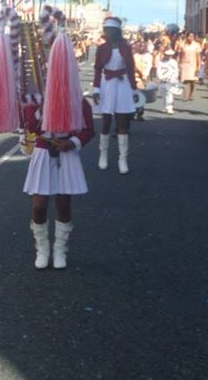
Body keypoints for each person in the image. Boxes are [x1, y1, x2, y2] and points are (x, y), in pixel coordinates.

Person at [25, 33, 95, 270]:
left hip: (66, 153)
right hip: (44, 152)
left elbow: (88, 130)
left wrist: (72, 143)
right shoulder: (39, 98)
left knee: (64, 203)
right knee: (39, 204)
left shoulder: (79, 100)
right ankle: (42, 249)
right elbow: (31, 127)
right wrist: (33, 108)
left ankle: (60, 250)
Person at [92, 17, 138, 175]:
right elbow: (97, 70)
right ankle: (103, 154)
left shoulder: (126, 47)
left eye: (109, 30)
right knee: (105, 122)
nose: (107, 32)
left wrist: (134, 90)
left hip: (123, 84)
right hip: (107, 84)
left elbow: (131, 68)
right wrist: (96, 89)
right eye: (105, 29)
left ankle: (122, 159)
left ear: (116, 31)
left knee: (122, 123)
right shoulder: (102, 48)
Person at [178, 31, 201, 101]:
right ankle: (185, 95)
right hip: (184, 64)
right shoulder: (182, 44)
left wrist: (198, 66)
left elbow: (198, 57)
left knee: (192, 81)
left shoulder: (196, 45)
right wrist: (179, 65)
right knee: (184, 81)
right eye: (189, 36)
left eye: (192, 36)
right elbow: (180, 55)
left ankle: (191, 94)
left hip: (193, 64)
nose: (191, 38)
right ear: (186, 37)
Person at [157, 49, 179, 114]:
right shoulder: (161, 62)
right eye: (167, 55)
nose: (168, 56)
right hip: (162, 80)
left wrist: (174, 78)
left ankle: (169, 108)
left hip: (170, 80)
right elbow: (158, 71)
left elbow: (176, 71)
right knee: (163, 94)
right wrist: (161, 78)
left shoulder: (173, 62)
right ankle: (164, 106)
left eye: (170, 55)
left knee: (169, 94)